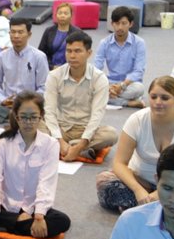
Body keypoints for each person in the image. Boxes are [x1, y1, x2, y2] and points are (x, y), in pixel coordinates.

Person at [0, 91, 71, 238]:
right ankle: (20, 225)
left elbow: (46, 183)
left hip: (32, 207)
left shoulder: (50, 144)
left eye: (33, 117)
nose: (28, 122)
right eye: (23, 117)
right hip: (4, 205)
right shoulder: (2, 142)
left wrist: (38, 216)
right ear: (16, 116)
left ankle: (5, 224)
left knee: (62, 221)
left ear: (41, 116)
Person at [96, 76, 174, 212]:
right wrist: (138, 190)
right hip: (140, 180)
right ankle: (159, 208)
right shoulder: (137, 120)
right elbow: (119, 163)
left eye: (164, 98)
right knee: (104, 180)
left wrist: (159, 193)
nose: (158, 102)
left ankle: (142, 208)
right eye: (153, 97)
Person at [43, 31, 119, 161]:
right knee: (34, 127)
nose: (72, 56)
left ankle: (73, 147)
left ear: (89, 53)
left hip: (86, 129)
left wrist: (80, 145)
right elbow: (49, 111)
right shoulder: (55, 76)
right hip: (62, 128)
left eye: (78, 51)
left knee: (111, 135)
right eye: (69, 51)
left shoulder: (99, 78)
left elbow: (97, 115)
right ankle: (73, 148)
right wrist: (60, 141)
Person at [0, 20, 48, 123]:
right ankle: (17, 116)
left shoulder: (39, 57)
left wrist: (26, 101)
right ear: (9, 33)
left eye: (20, 32)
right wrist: (2, 99)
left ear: (29, 34)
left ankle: (14, 115)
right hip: (7, 102)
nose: (16, 36)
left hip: (30, 102)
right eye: (13, 32)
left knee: (44, 105)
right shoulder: (2, 56)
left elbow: (43, 87)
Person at [93, 6, 147, 108]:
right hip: (110, 83)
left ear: (130, 24)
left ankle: (107, 98)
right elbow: (96, 69)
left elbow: (139, 71)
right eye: (117, 23)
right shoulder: (104, 43)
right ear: (112, 24)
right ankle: (128, 102)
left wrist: (122, 86)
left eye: (124, 23)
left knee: (140, 89)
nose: (120, 27)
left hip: (130, 84)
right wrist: (108, 88)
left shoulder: (139, 43)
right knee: (90, 88)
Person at [37, 1, 84, 70]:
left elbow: (81, 53)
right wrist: (51, 66)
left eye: (66, 13)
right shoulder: (49, 31)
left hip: (71, 69)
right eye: (60, 13)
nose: (62, 15)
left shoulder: (77, 32)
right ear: (56, 15)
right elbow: (41, 53)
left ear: (71, 16)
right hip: (51, 68)